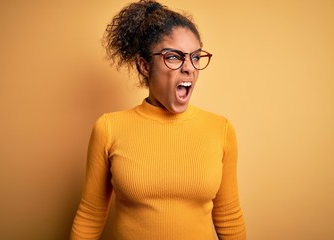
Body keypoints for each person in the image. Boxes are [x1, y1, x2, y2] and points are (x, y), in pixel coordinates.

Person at [70, 0, 246, 239]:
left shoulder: (221, 129)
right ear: (144, 65)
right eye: (174, 57)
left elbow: (229, 216)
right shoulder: (109, 128)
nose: (189, 68)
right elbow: (90, 215)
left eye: (195, 57)